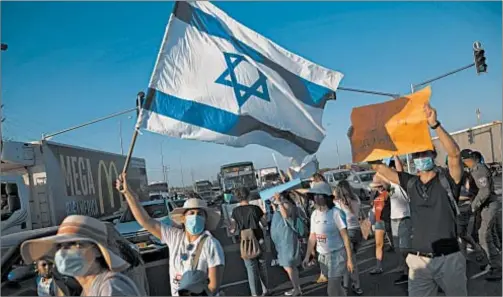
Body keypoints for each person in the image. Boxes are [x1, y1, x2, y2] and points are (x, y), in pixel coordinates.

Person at [353, 103, 468, 296]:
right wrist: (363, 142)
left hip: (449, 259)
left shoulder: (447, 180)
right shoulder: (411, 182)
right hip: (418, 261)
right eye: (417, 154)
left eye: (425, 153)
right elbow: (380, 169)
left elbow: (455, 154)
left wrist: (435, 125)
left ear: (433, 154)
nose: (421, 157)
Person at [116, 173, 225, 296]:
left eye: (200, 214)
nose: (195, 217)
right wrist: (128, 194)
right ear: (183, 218)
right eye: (191, 213)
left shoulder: (211, 244)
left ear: (206, 219)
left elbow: (214, 285)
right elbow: (146, 221)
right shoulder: (174, 237)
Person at [20, 215, 141, 296]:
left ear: (97, 251)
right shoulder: (87, 289)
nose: (64, 251)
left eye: (74, 244)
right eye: (60, 246)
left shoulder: (110, 286)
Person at [303, 182, 354, 296]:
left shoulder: (336, 213)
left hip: (337, 255)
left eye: (318, 195)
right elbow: (312, 237)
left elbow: (345, 237)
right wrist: (307, 256)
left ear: (326, 197)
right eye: (314, 195)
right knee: (337, 288)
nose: (315, 197)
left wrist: (349, 259)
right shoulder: (314, 214)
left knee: (331, 290)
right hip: (322, 256)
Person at [461, 149, 502, 281]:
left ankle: (496, 267)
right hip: (484, 206)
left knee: (484, 235)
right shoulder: (473, 170)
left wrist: (473, 207)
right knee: (479, 234)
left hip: (488, 206)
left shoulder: (478, 170)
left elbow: (485, 192)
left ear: (466, 160)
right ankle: (487, 259)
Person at [230, 187, 270, 296]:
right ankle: (265, 290)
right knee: (262, 266)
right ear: (249, 196)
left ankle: (254, 294)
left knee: (250, 269)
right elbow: (265, 223)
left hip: (245, 242)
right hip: (259, 238)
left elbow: (233, 229)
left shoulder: (235, 211)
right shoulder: (255, 208)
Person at [333, 180, 363, 296]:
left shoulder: (338, 202)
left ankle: (350, 286)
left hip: (347, 232)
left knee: (349, 262)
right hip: (357, 232)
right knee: (352, 260)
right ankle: (355, 285)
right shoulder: (356, 198)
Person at [386, 156, 413, 286]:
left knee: (404, 248)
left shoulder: (401, 182)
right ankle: (404, 270)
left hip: (404, 217)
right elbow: (375, 181)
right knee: (397, 247)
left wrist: (395, 155)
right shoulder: (390, 184)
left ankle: (410, 272)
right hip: (394, 218)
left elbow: (400, 171)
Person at [270, 191, 302, 296]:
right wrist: (275, 205)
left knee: (288, 264)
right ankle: (296, 287)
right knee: (289, 265)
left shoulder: (287, 204)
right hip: (282, 240)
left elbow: (286, 216)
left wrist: (279, 203)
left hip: (287, 238)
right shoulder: (282, 204)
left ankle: (296, 289)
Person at [368, 176, 389, 275]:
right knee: (379, 244)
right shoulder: (375, 194)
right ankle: (378, 266)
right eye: (377, 186)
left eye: (380, 185)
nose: (379, 188)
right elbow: (373, 208)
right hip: (379, 220)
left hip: (388, 220)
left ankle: (404, 266)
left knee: (396, 245)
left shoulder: (389, 193)